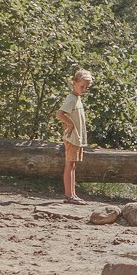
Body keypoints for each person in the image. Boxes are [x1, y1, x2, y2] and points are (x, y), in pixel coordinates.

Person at [55, 67, 93, 204]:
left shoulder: (77, 98)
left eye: (86, 87)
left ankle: (72, 194)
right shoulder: (71, 99)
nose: (84, 89)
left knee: (73, 165)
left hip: (77, 138)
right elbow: (60, 114)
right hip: (72, 137)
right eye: (82, 86)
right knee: (69, 164)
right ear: (74, 83)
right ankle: (69, 195)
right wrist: (70, 125)